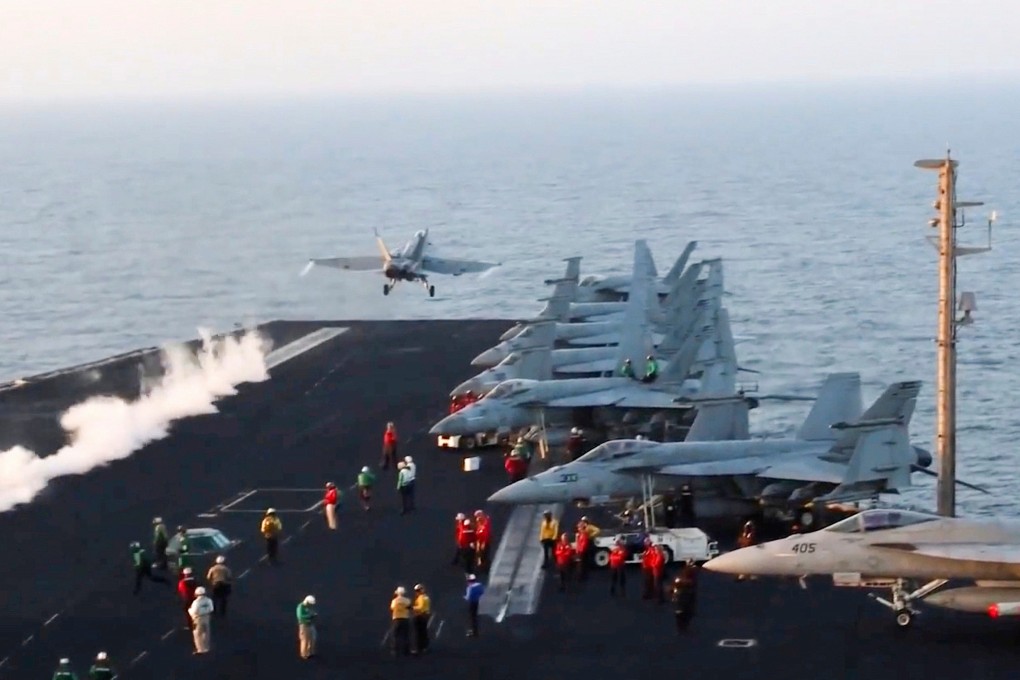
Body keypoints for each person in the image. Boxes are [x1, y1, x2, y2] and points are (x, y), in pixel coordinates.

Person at [671, 560, 699, 633]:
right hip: (684, 595)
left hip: (686, 594)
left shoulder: (690, 572)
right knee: (684, 612)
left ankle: (682, 627)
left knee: (685, 612)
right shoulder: (687, 573)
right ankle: (682, 627)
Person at [189, 586, 214, 654]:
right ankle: (206, 648)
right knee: (206, 633)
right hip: (206, 617)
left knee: (197, 634)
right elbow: (211, 609)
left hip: (198, 619)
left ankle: (200, 649)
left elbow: (194, 611)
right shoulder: (209, 600)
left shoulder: (196, 602)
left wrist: (189, 611)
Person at [390, 586, 412, 655]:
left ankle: (395, 650)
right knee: (406, 635)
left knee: (395, 635)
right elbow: (410, 608)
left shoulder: (394, 601)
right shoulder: (407, 600)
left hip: (396, 619)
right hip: (405, 618)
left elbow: (392, 608)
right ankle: (406, 650)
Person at [411, 584, 431, 655]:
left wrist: (412, 608)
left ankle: (418, 648)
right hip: (425, 615)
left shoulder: (421, 597)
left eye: (417, 591)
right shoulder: (426, 597)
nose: (416, 592)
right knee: (424, 631)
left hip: (420, 616)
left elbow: (421, 607)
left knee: (418, 632)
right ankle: (424, 646)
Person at [296, 595, 317, 660]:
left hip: (310, 624)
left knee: (312, 638)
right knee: (305, 640)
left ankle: (310, 652)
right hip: (304, 625)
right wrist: (309, 616)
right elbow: (300, 616)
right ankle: (304, 654)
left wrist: (313, 614)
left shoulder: (308, 607)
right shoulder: (300, 607)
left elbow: (310, 612)